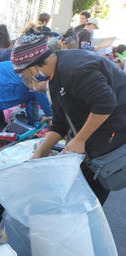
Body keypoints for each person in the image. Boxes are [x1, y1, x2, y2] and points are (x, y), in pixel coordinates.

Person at [11, 33, 126, 205]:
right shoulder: (55, 75)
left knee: (90, 195)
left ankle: (88, 224)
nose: (26, 76)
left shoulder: (74, 69)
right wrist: (39, 153)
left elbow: (105, 103)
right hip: (92, 133)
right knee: (79, 190)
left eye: (24, 72)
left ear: (32, 67)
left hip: (113, 132)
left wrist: (80, 140)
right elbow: (60, 122)